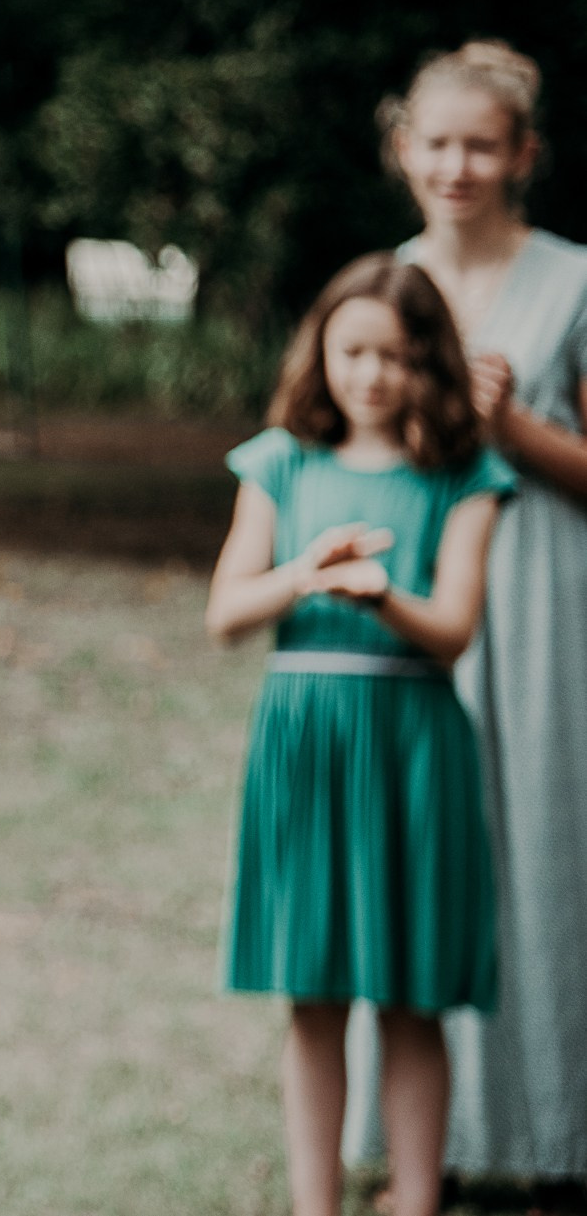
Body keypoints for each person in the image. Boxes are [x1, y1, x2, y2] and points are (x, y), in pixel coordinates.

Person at [205, 255, 512, 1216]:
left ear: (430, 362)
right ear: (321, 352)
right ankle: (317, 1205)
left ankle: (415, 1200)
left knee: (414, 993)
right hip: (305, 741)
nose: (373, 374)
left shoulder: (464, 473)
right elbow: (227, 612)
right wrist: (306, 572)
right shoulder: (280, 459)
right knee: (315, 990)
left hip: (413, 743)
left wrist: (385, 597)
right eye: (355, 351)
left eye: (398, 355)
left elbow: (456, 626)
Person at [341, 41, 587, 1199]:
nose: (456, 164)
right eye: (435, 142)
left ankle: (547, 1129)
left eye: (480, 144)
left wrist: (515, 433)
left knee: (540, 840)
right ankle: (416, 1143)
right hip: (412, 580)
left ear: (523, 155)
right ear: (402, 151)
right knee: (420, 849)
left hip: (543, 595)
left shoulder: (573, 281)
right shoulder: (385, 282)